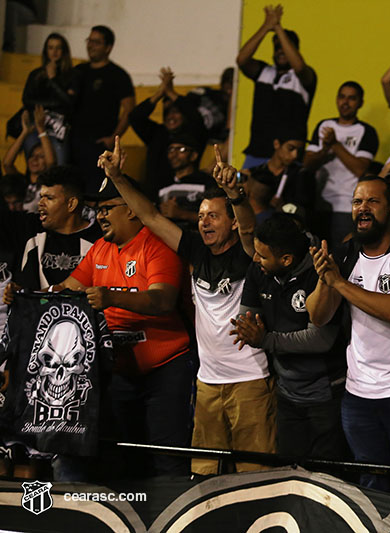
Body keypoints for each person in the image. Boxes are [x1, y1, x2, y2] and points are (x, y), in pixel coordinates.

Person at [96, 138, 276, 476]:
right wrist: (117, 177)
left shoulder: (248, 254)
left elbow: (250, 227)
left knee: (255, 476)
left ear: (232, 222)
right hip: (207, 384)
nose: (204, 222)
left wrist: (235, 194)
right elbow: (149, 215)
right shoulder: (194, 249)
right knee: (204, 476)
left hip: (250, 382)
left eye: (214, 216)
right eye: (202, 216)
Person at [44, 149, 194, 478]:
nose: (100, 216)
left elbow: (162, 301)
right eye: (97, 210)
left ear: (132, 209)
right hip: (119, 371)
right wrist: (29, 296)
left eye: (107, 208)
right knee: (124, 460)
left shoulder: (157, 245)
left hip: (165, 369)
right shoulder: (101, 249)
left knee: (166, 459)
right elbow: (65, 290)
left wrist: (111, 296)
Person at [306, 176, 390, 498]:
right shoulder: (344, 255)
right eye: (357, 202)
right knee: (370, 484)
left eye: (372, 201)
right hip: (359, 391)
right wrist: (325, 279)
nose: (362, 208)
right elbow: (318, 316)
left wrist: (339, 283)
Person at [231, 214, 348, 460]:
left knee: (326, 473)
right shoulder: (258, 270)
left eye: (262, 256)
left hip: (326, 393)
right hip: (286, 392)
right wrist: (253, 332)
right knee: (289, 469)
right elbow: (247, 321)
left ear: (286, 259)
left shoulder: (320, 272)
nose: (255, 259)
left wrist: (266, 340)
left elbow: (320, 340)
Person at [237, 4, 316, 168]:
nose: (280, 51)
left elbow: (299, 67)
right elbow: (241, 60)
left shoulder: (303, 77)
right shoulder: (264, 72)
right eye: (277, 47)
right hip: (256, 153)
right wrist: (266, 27)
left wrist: (278, 28)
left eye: (285, 47)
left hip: (288, 157)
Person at [303, 82, 378, 245]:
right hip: (320, 204)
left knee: (341, 254)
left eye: (351, 98)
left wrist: (335, 145)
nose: (346, 102)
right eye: (342, 97)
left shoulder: (367, 131)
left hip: (347, 206)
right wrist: (325, 150)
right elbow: (307, 164)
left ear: (360, 103)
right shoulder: (324, 125)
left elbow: (360, 168)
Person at [70, 25, 135, 192]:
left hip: (99, 146)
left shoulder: (118, 75)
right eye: (89, 40)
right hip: (73, 142)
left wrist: (113, 138)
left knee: (94, 191)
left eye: (96, 42)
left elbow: (129, 109)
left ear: (108, 47)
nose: (91, 45)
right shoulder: (78, 71)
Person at [16, 165, 100, 290]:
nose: (40, 203)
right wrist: (16, 292)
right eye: (41, 197)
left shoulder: (101, 241)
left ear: (71, 204)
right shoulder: (31, 231)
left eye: (49, 198)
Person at [129, 67, 207, 195]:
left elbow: (195, 116)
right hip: (154, 197)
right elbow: (135, 117)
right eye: (166, 112)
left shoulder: (194, 133)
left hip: (186, 195)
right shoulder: (156, 133)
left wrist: (170, 92)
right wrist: (159, 93)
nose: (170, 117)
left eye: (175, 112)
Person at [21, 32, 75, 164]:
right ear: (46, 50)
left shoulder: (72, 75)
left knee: (58, 168)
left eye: (58, 48)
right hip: (36, 125)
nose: (54, 52)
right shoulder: (36, 74)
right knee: (33, 165)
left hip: (59, 130)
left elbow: (69, 103)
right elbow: (26, 100)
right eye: (50, 48)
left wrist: (52, 79)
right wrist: (56, 104)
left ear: (64, 51)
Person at [2, 105, 56, 213]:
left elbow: (51, 162)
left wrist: (41, 129)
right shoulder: (22, 183)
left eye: (41, 156)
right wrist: (24, 132)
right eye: (32, 155)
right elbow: (7, 164)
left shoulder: (49, 183)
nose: (34, 159)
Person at [157, 132, 215, 226]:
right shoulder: (162, 183)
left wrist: (182, 214)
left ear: (193, 155)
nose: (174, 154)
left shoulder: (206, 182)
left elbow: (216, 217)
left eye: (181, 149)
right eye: (171, 150)